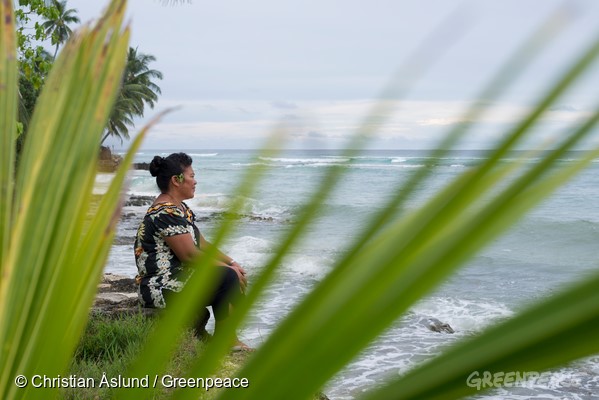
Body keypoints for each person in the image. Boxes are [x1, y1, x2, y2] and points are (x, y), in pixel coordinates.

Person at [133, 152, 251, 351]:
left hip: (180, 280)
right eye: (192, 176)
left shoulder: (180, 208)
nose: (195, 181)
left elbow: (201, 243)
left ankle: (226, 338)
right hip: (160, 287)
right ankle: (225, 343)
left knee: (232, 276)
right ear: (176, 180)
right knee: (228, 277)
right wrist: (229, 271)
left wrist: (232, 263)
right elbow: (189, 255)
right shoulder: (165, 212)